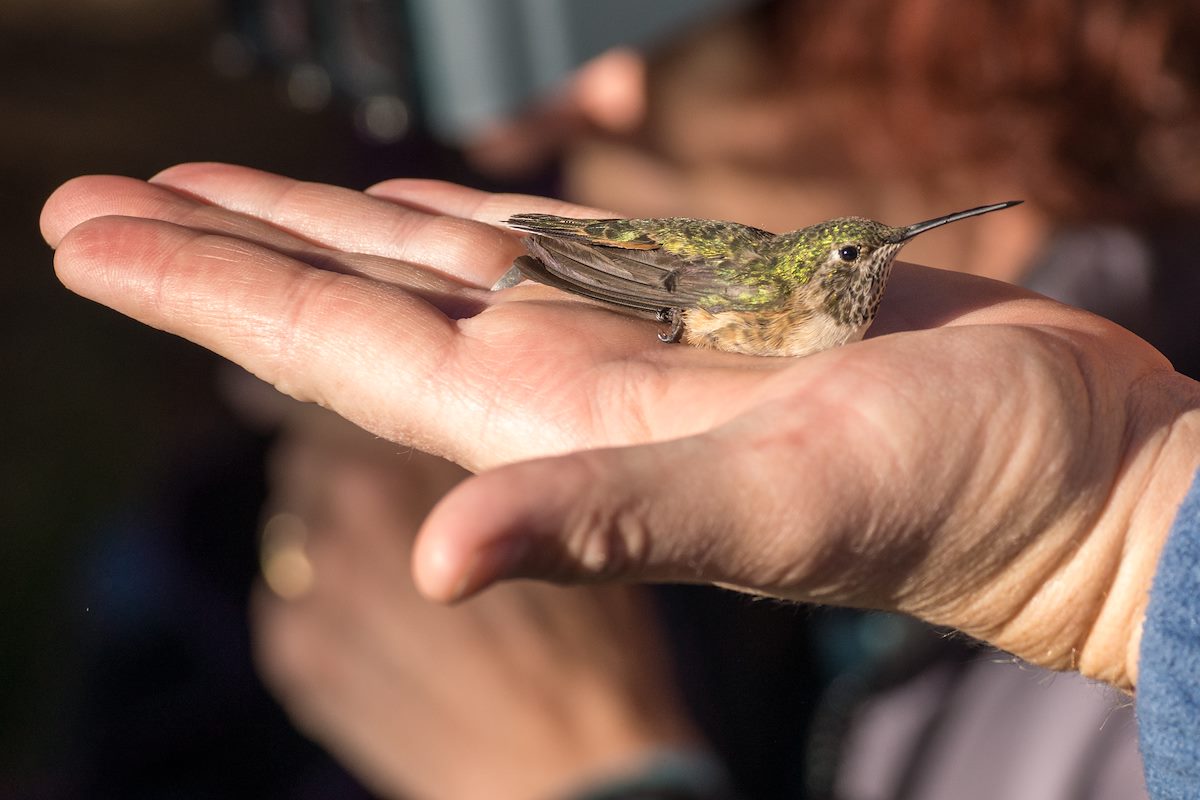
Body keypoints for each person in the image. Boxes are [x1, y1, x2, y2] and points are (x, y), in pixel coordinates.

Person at [40, 163, 1200, 796]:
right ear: (819, 269)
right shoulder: (773, 296)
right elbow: (684, 290)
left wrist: (1117, 513)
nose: (880, 264)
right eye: (859, 255)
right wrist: (1127, 518)